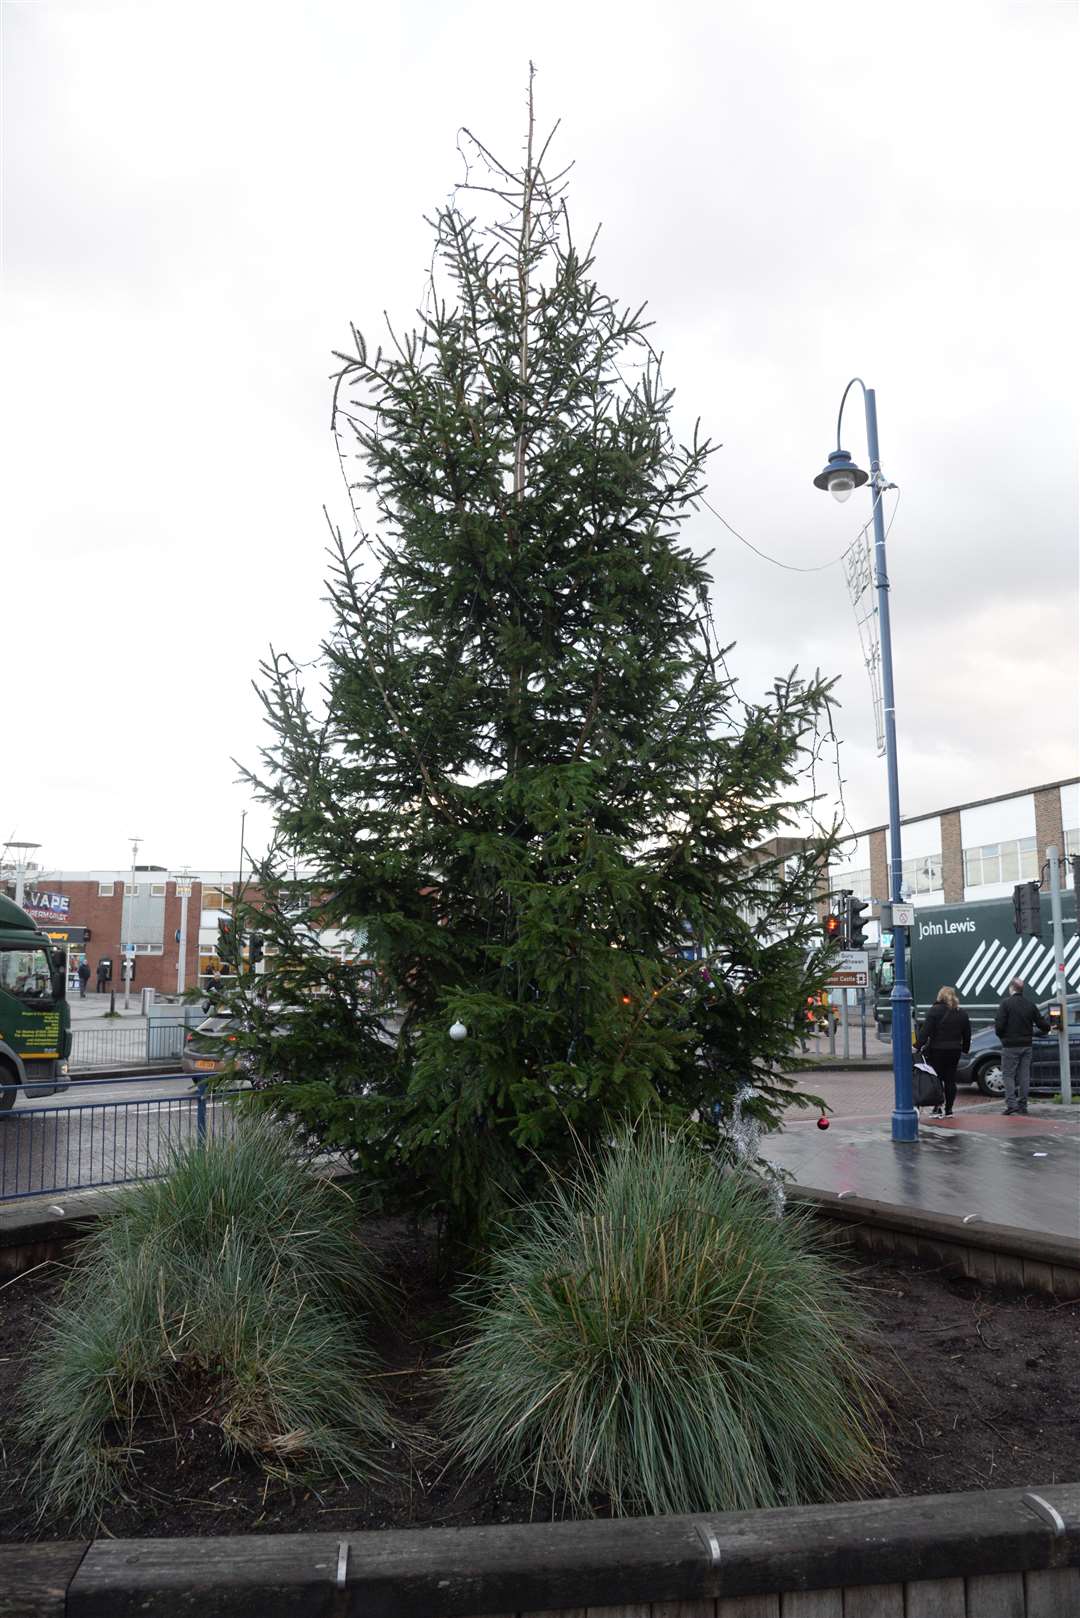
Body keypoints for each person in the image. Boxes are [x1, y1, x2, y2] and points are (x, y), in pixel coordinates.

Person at [994, 977, 1051, 1116]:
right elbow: (1043, 1025)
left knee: (1008, 1075)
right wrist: (1041, 1030)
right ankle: (1023, 1105)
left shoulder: (1005, 1004)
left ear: (1012, 988)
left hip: (1010, 1046)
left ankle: (1011, 1104)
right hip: (1026, 1045)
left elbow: (999, 1027)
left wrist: (1003, 1038)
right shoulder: (1030, 1005)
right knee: (1024, 1075)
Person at [917, 986, 972, 1118]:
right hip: (954, 1051)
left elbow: (926, 1031)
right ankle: (949, 1110)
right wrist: (965, 1048)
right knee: (950, 1080)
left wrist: (917, 1046)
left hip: (937, 1050)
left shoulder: (934, 1011)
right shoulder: (961, 1013)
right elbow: (967, 1034)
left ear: (940, 996)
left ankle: (937, 1108)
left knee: (937, 1079)